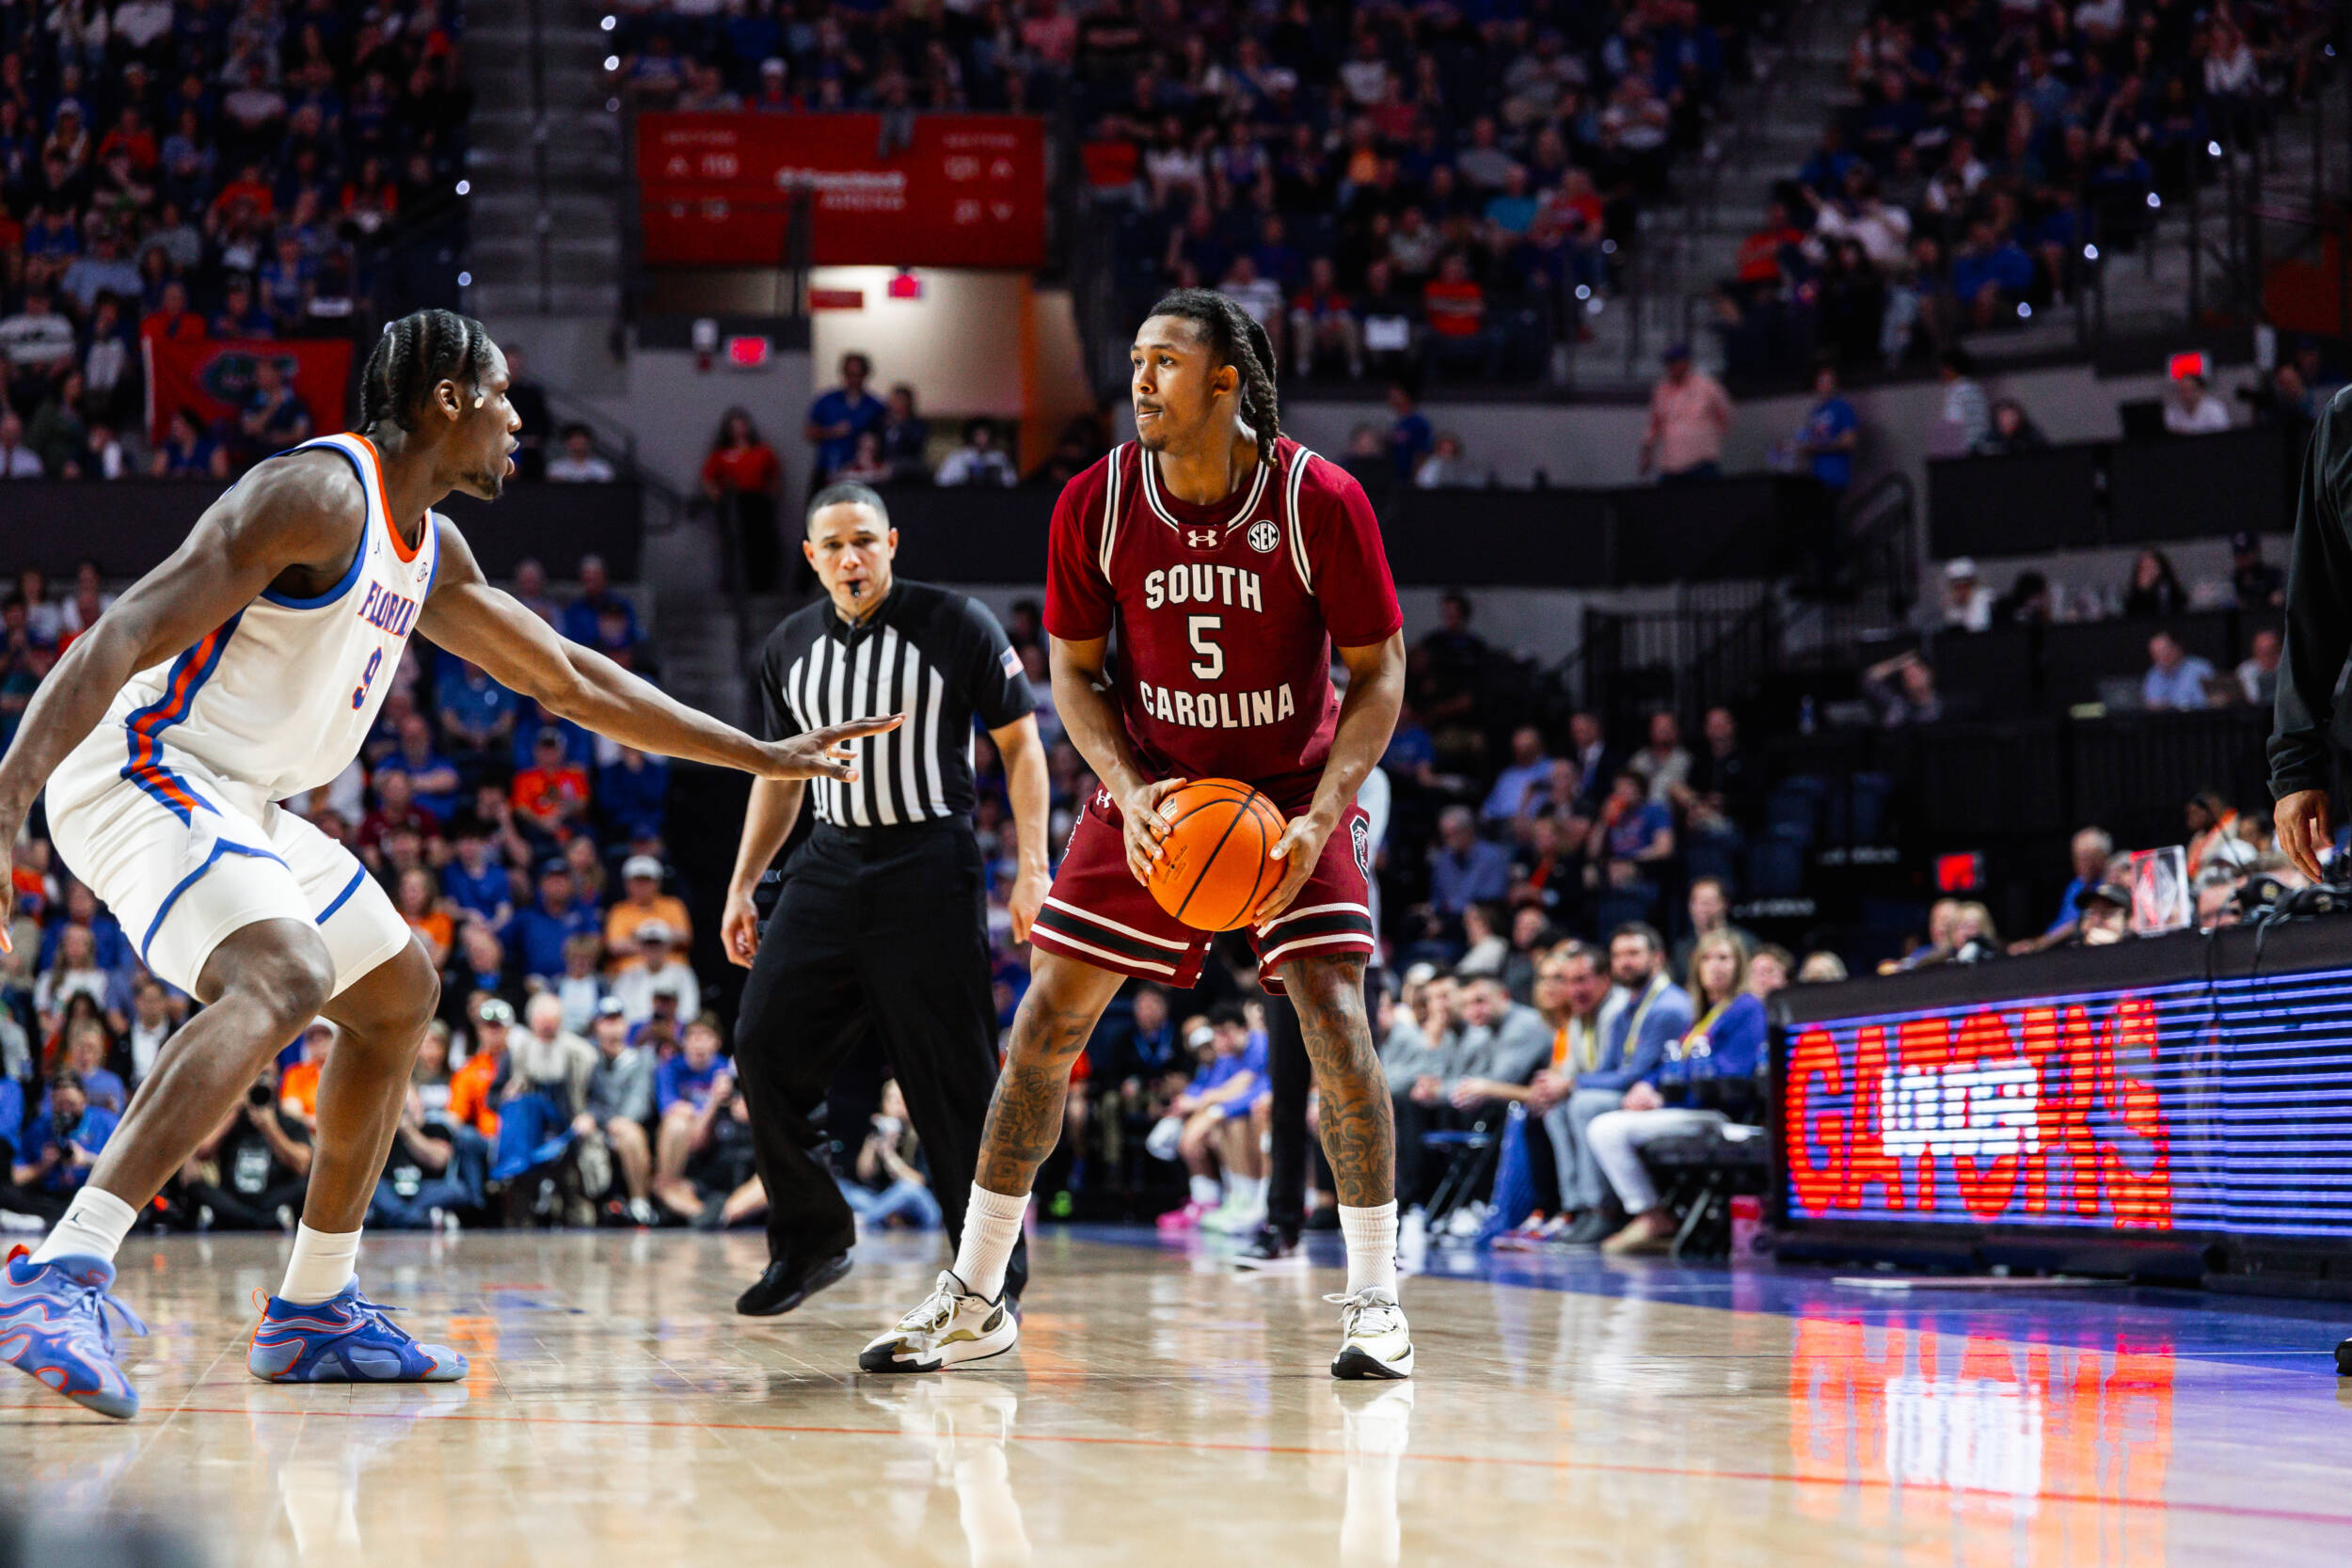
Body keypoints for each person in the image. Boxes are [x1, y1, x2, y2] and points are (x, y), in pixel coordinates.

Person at [0, 309, 899, 1421]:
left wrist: (752, 751)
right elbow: (121, 631)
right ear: (447, 400)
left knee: (395, 993)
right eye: (506, 395)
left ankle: (314, 1306)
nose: (521, 419)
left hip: (242, 794)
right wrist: (7, 798)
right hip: (143, 762)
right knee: (281, 973)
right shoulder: (317, 495)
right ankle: (63, 1269)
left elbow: (574, 680)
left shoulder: (430, 546)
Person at [863, 289, 1413, 1380]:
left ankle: (1374, 1300)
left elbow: (1379, 670)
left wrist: (1323, 807)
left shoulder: (1321, 500)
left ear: (1226, 381)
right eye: (1135, 360)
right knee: (1041, 1026)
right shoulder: (1097, 500)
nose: (1140, 380)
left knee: (1336, 1019)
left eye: (1165, 361)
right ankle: (976, 1292)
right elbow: (1072, 672)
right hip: (1156, 785)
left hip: (1291, 783)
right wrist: (1129, 786)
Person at [724, 481, 1049, 1318]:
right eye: (832, 545)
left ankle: (988, 1273)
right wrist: (742, 883)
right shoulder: (789, 645)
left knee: (953, 1077)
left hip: (928, 861)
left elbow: (1022, 748)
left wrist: (1032, 866)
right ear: (810, 556)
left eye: (864, 540)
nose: (850, 557)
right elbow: (777, 776)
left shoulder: (959, 623)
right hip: (827, 862)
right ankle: (811, 1239)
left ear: (893, 542)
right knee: (762, 1042)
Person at [1587, 929, 1768, 1254]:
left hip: (1719, 1113)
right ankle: (1650, 1214)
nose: (1715, 966)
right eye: (1707, 959)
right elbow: (1676, 1062)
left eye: (1724, 958)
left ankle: (1651, 1214)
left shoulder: (1747, 1008)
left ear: (1739, 965)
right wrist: (1648, 1085)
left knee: (1606, 1129)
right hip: (1687, 1109)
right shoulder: (1704, 1013)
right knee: (1606, 1124)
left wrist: (1663, 1093)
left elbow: (1729, 1070)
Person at [1553, 925, 1692, 1243]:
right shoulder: (1625, 1011)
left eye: (1633, 954)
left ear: (1657, 958)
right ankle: (1576, 1207)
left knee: (1584, 1103)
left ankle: (1605, 1211)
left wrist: (1573, 1082)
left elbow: (1635, 1073)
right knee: (1557, 1107)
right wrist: (1569, 1085)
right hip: (1631, 1093)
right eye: (1618, 955)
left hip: (1658, 1097)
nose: (1624, 962)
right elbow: (1608, 1068)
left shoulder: (1668, 1006)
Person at [702, 407, 785, 592]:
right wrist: (717, 497)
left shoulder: (762, 451)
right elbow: (708, 478)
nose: (739, 430)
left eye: (742, 425)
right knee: (733, 545)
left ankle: (761, 585)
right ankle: (733, 586)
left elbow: (775, 474)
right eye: (734, 426)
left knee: (759, 544)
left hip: (757, 502)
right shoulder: (721, 454)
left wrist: (772, 496)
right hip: (733, 502)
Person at [1638, 344, 1731, 483]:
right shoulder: (1661, 390)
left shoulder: (1707, 386)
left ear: (1686, 362)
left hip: (1702, 463)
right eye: (1668, 362)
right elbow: (1654, 424)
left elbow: (1725, 413)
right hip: (1671, 465)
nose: (1671, 366)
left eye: (1675, 361)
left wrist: (1707, 437)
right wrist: (1646, 452)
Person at [804, 353, 886, 484]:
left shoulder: (875, 405)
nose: (852, 379)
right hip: (828, 468)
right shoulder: (826, 401)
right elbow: (809, 433)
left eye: (857, 374)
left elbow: (883, 439)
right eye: (849, 374)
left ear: (865, 375)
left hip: (860, 473)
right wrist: (832, 432)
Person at [2143, 632, 2217, 710]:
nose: (2161, 656)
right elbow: (2152, 704)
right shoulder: (2153, 674)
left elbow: (2208, 702)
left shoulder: (2200, 668)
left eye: (2164, 650)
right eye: (2156, 654)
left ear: (2177, 647)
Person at [935, 420, 1019, 487]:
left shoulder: (999, 458)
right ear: (971, 436)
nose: (983, 440)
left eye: (986, 435)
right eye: (978, 435)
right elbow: (941, 481)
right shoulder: (958, 457)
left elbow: (1011, 483)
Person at [2164, 372, 2233, 435]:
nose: (2186, 395)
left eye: (2189, 390)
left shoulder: (2215, 409)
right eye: (2182, 391)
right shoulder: (2172, 411)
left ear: (2201, 391)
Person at [544, 424, 615, 483]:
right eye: (573, 441)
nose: (577, 444)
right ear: (566, 444)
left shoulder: (602, 468)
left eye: (580, 441)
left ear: (589, 443)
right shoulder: (555, 468)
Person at [1941, 558, 1994, 631]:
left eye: (1966, 585)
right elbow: (1952, 622)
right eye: (1957, 587)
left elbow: (1977, 626)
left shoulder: (1984, 597)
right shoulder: (1950, 602)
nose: (1962, 591)